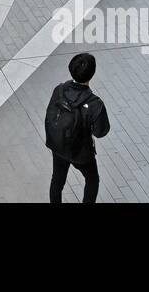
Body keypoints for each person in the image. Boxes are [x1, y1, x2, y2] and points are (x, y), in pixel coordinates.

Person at [45, 52, 110, 203]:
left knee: (57, 181)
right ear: (92, 74)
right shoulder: (95, 104)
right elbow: (101, 132)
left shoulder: (59, 90)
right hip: (81, 153)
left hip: (59, 145)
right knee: (92, 180)